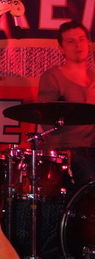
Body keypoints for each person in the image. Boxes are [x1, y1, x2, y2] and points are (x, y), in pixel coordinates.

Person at [37, 20, 95, 196]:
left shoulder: (93, 77)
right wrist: (87, 105)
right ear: (61, 49)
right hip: (68, 151)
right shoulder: (53, 77)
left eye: (82, 39)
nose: (78, 45)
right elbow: (48, 123)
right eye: (71, 41)